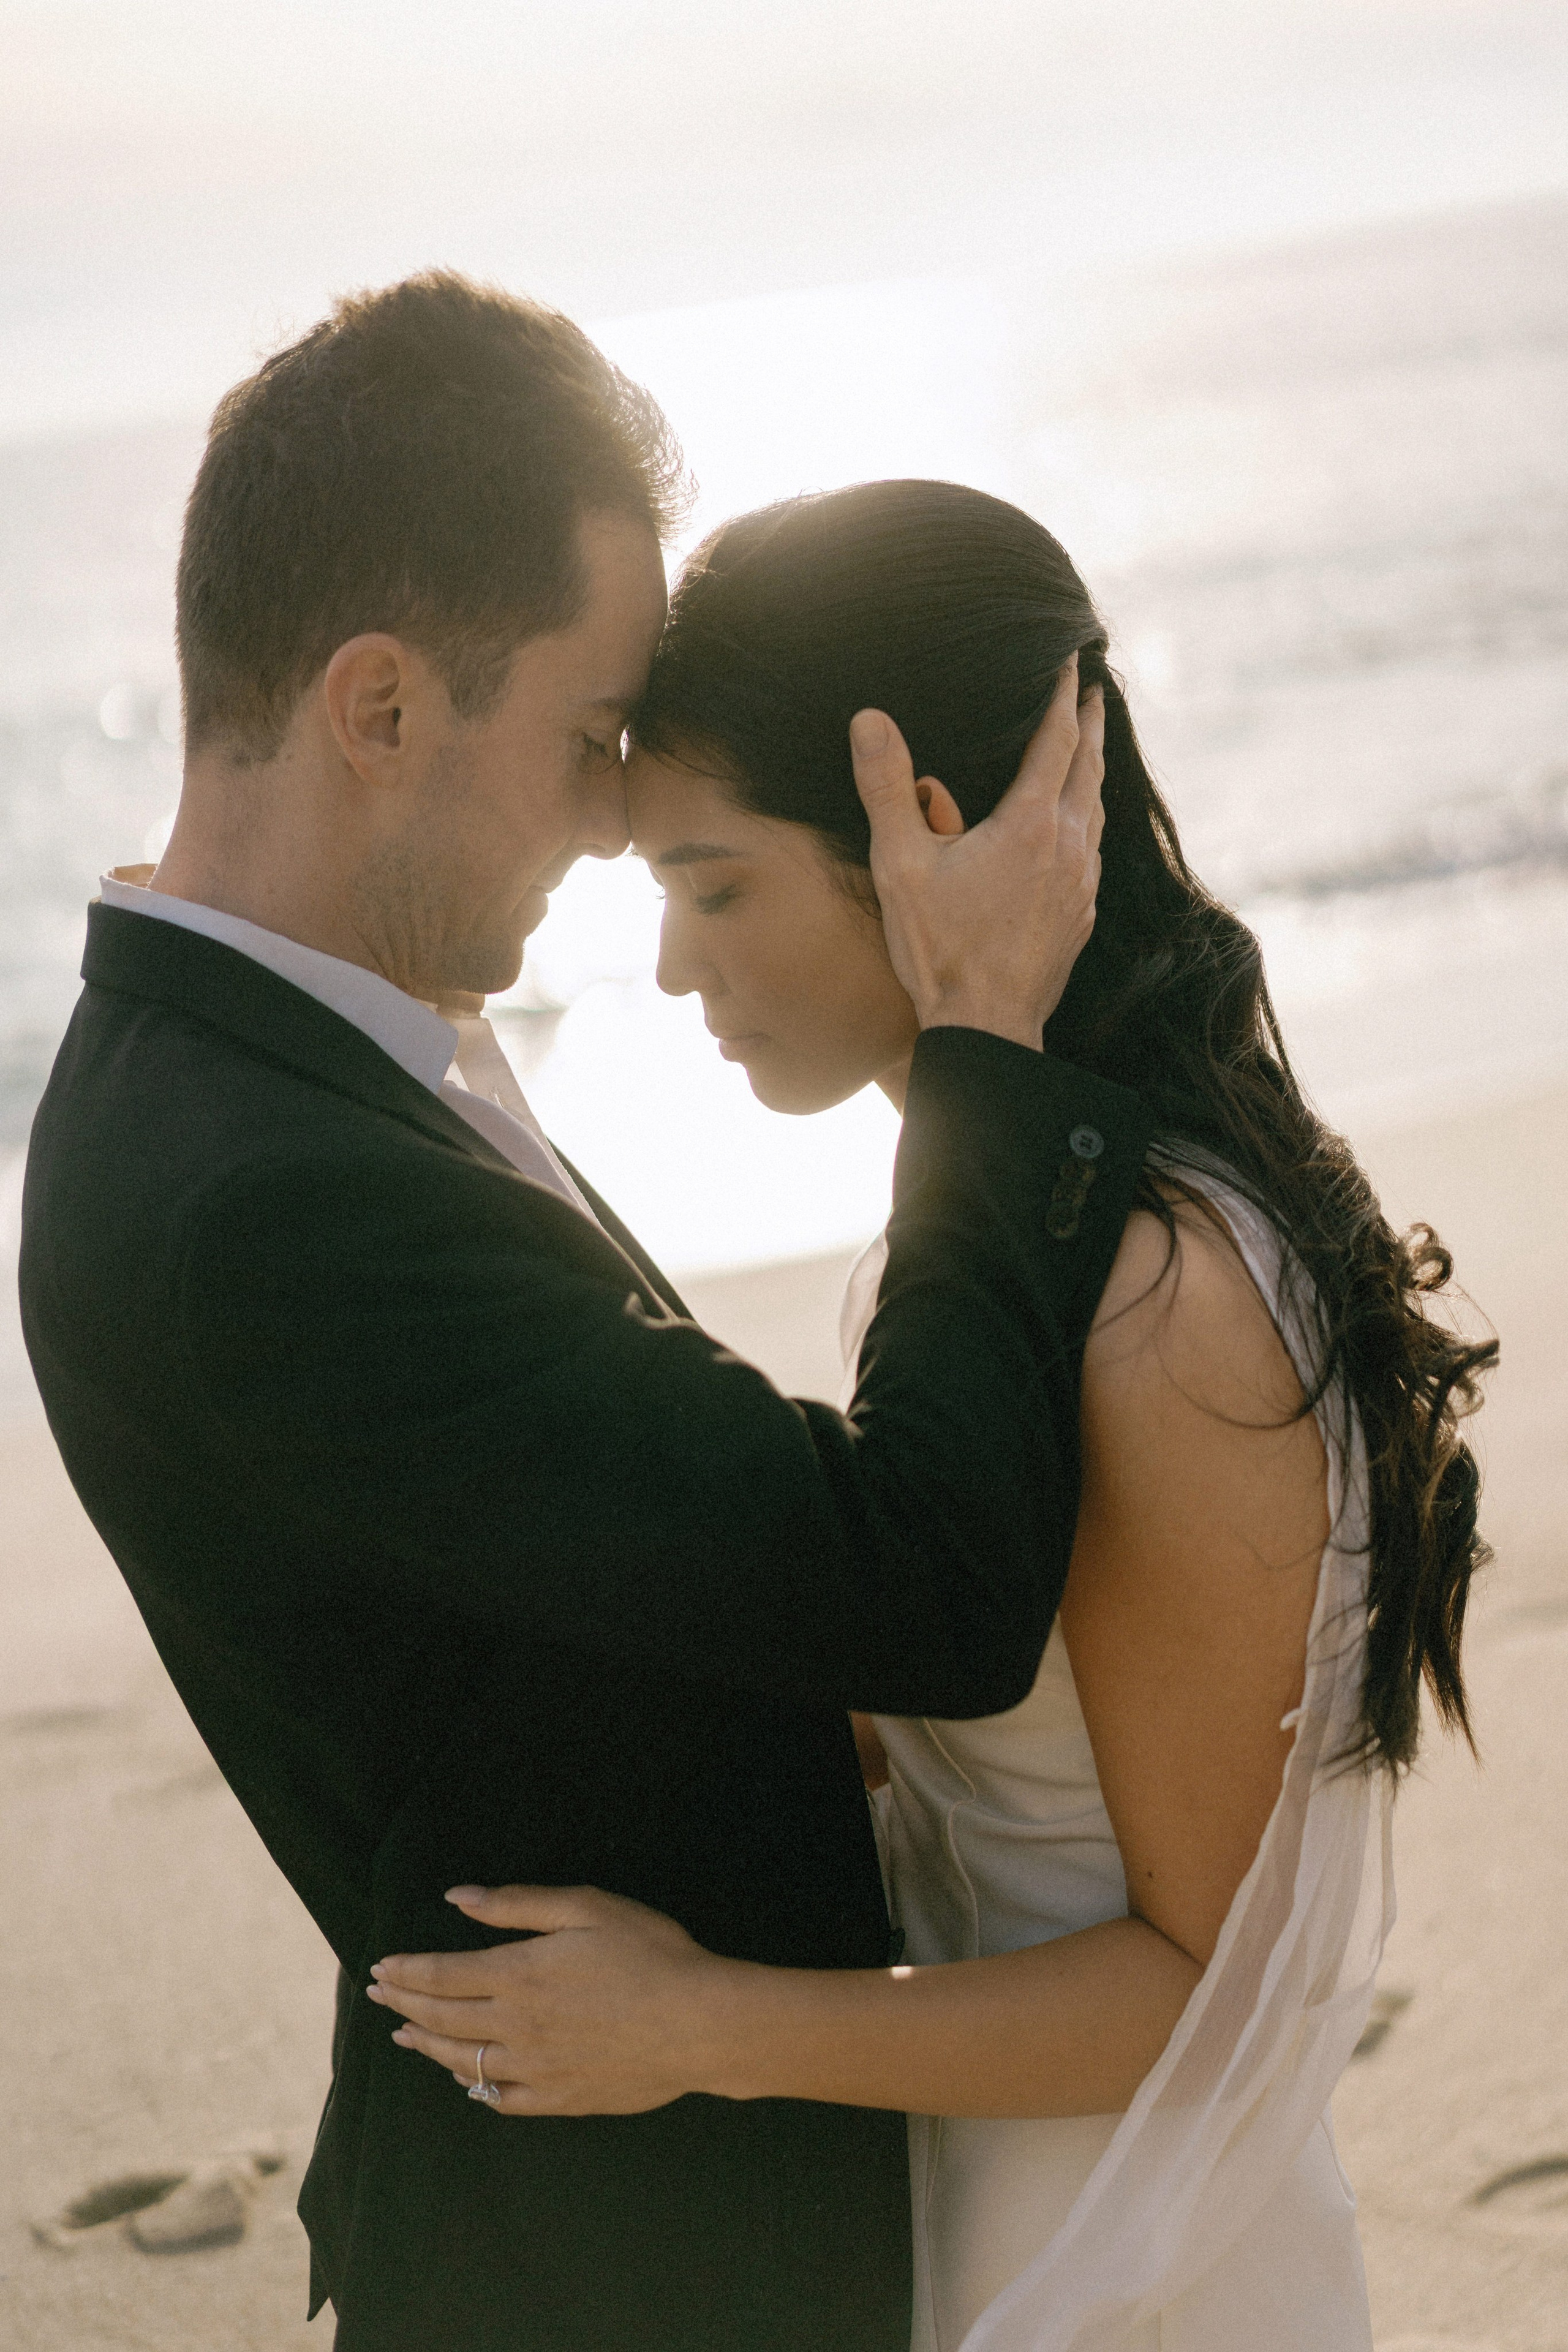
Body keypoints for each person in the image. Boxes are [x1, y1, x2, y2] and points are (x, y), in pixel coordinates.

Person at [19, 298, 1150, 2351]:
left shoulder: (297, 1052)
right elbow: (926, 1584)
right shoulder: (263, 1200)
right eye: (590, 735)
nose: (624, 816)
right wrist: (982, 1050)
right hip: (632, 2270)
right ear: (380, 708)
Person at [371, 480, 1496, 2351]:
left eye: (717, 886)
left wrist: (702, 2024)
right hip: (973, 2191)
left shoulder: (1157, 1304)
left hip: (1138, 2258)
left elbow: (1208, 1983)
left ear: (930, 843)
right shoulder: (988, 1231)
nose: (676, 968)